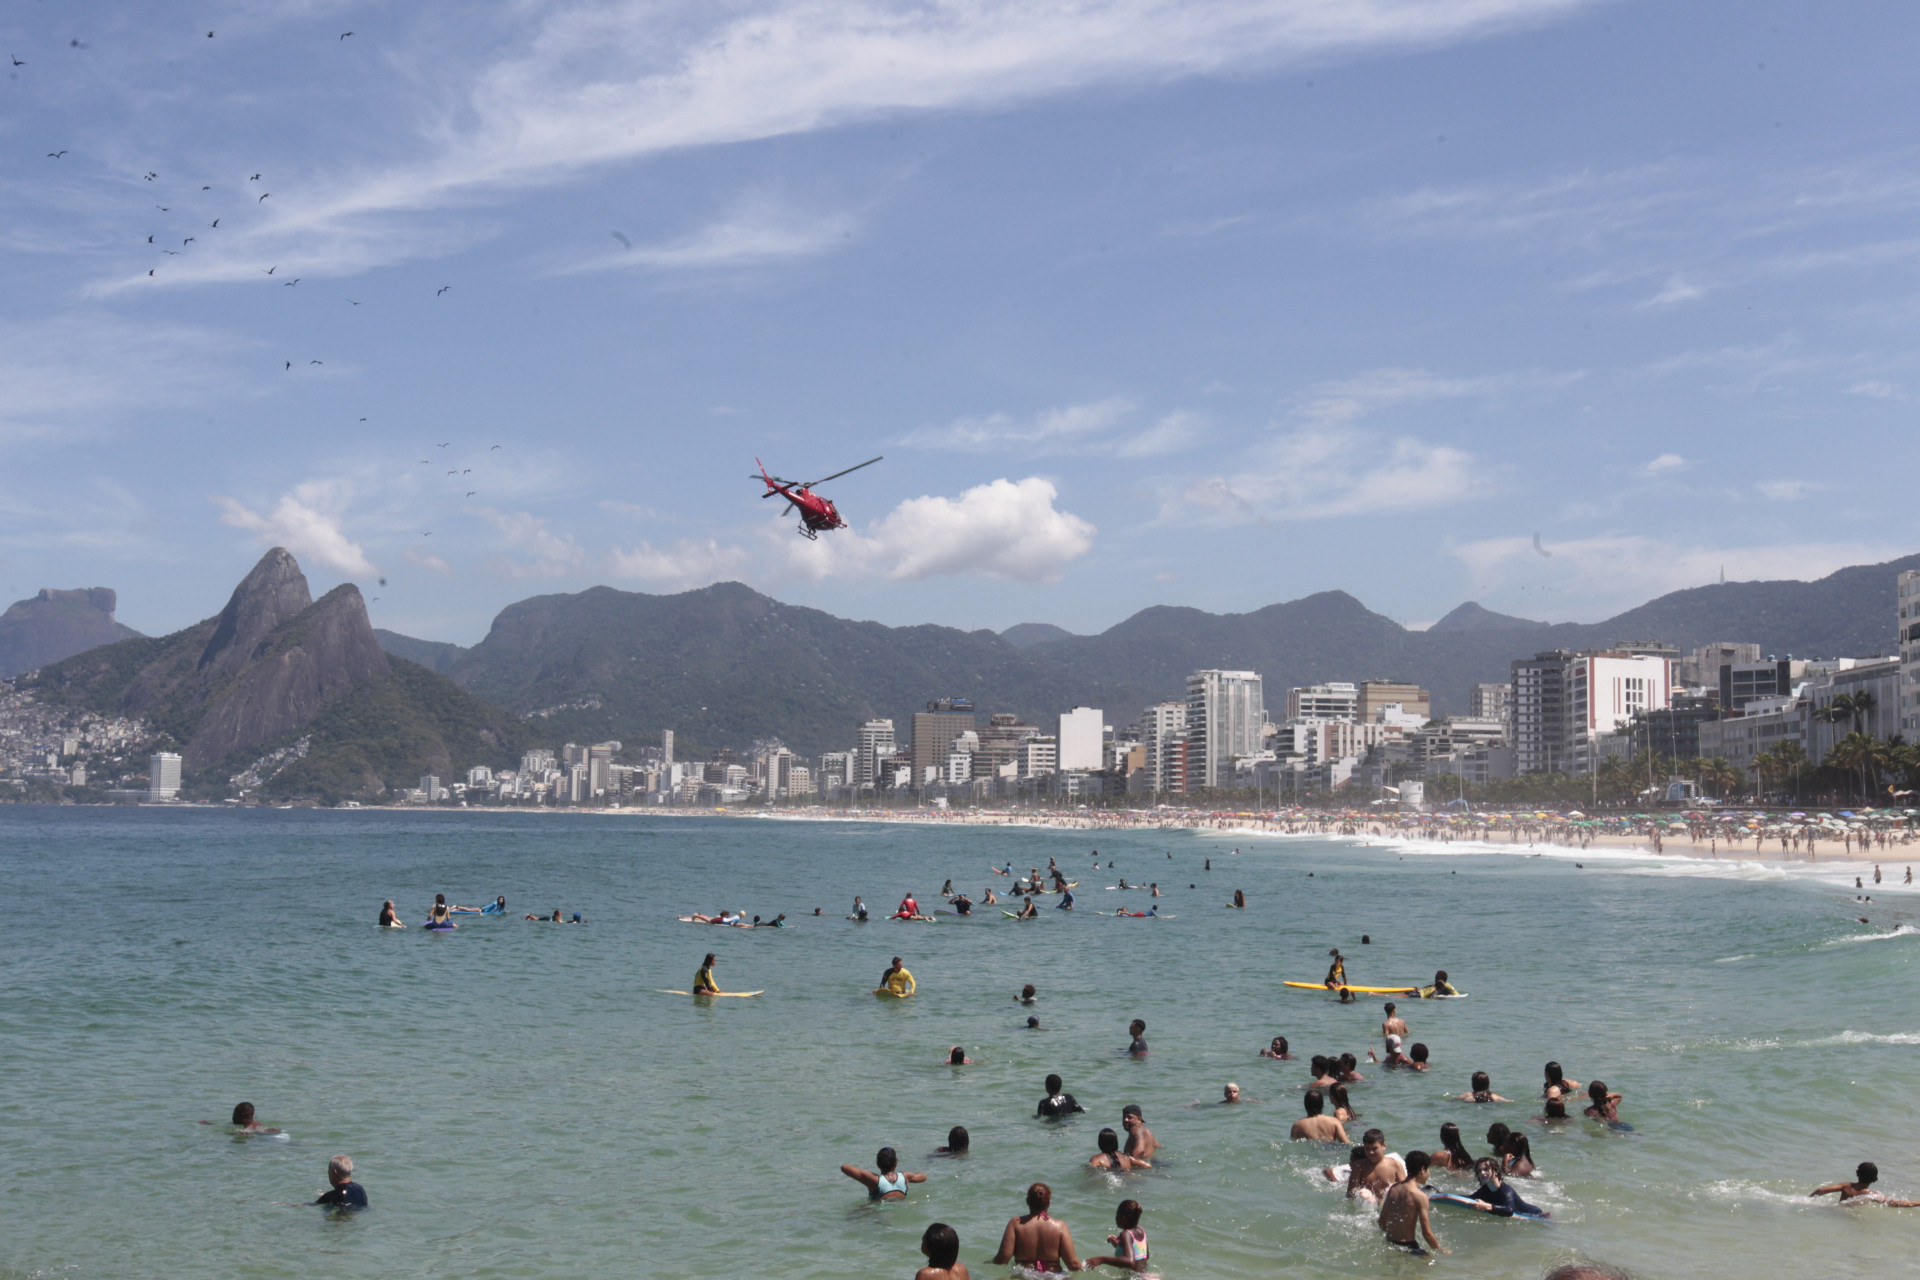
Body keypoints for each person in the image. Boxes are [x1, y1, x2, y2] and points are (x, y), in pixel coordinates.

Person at [991, 1183, 1081, 1273]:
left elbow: (1002, 1259)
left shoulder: (1015, 1224)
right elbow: (1073, 1264)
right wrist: (1087, 1264)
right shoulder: (1060, 1226)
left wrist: (988, 1263)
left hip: (1025, 1276)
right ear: (1049, 1203)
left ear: (1027, 1201)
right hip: (1054, 1277)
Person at [1377, 1150, 1447, 1255]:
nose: (1428, 1173)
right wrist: (1439, 1248)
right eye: (1428, 1169)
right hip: (1408, 1246)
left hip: (1390, 1242)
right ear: (1423, 1169)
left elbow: (1382, 1222)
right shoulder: (1419, 1196)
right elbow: (1427, 1233)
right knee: (1432, 1263)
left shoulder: (1394, 1188)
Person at [1081, 1199, 1149, 1274]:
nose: (1115, 1218)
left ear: (1123, 1218)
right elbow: (1144, 1255)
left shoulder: (1125, 1234)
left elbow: (1129, 1261)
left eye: (1117, 1215)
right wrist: (1119, 1245)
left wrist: (1101, 1259)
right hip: (1144, 1275)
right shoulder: (1141, 1230)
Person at [1463, 1157, 1547, 1217]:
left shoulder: (1506, 1191)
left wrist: (1486, 1206)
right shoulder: (1485, 1189)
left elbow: (1509, 1210)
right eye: (1479, 1170)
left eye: (1485, 1169)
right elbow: (1471, 1198)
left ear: (1496, 1171)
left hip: (1535, 1214)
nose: (1482, 1173)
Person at [1809, 1161, 1920, 1205]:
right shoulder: (1872, 1194)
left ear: (1857, 1173)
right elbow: (1893, 1204)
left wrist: (1807, 1200)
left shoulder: (1846, 1186)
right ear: (1874, 1179)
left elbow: (1821, 1191)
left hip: (1836, 1211)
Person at [840, 1146, 925, 1200]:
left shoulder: (874, 1180)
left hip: (878, 1210)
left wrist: (869, 1175)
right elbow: (923, 1177)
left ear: (877, 1164)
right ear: (896, 1163)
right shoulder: (905, 1177)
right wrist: (907, 1175)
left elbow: (844, 1168)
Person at [1345, 1129, 1405, 1202]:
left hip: (1387, 1208)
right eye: (1367, 1149)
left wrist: (1394, 1190)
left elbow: (1406, 1190)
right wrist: (1359, 1193)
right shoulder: (1359, 1166)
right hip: (1368, 1209)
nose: (1371, 1152)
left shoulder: (1395, 1165)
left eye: (1374, 1148)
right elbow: (1349, 1193)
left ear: (1384, 1146)